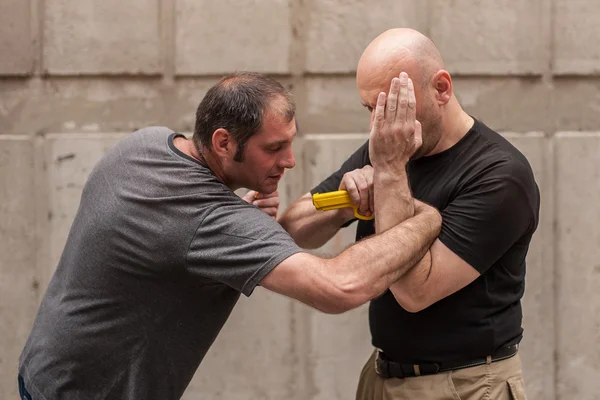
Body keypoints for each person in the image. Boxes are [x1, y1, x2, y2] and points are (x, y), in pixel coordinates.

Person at [18, 71, 441, 400]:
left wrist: (249, 219)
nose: (290, 161)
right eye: (274, 148)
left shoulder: (146, 144)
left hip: (46, 370)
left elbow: (186, 236)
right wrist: (425, 218)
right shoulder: (209, 221)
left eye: (289, 144)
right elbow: (340, 287)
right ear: (223, 142)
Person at [279, 29, 540, 399]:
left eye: (394, 106)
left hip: (463, 384)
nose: (379, 125)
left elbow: (414, 292)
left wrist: (388, 175)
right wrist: (347, 201)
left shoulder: (500, 175)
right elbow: (294, 226)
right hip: (382, 375)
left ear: (441, 89)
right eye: (372, 109)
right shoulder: (389, 146)